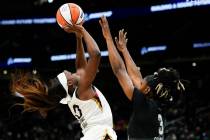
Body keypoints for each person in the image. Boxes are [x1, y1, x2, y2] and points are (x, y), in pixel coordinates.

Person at [10, 24, 117, 140]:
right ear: (70, 83)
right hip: (100, 134)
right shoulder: (82, 90)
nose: (68, 71)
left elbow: (81, 68)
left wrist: (78, 38)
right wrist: (82, 29)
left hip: (92, 135)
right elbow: (96, 54)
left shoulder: (76, 92)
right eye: (69, 74)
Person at [99, 16, 186, 140]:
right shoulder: (160, 104)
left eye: (155, 75)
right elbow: (137, 78)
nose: (152, 75)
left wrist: (108, 38)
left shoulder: (144, 107)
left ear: (149, 89)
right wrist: (124, 50)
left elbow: (120, 70)